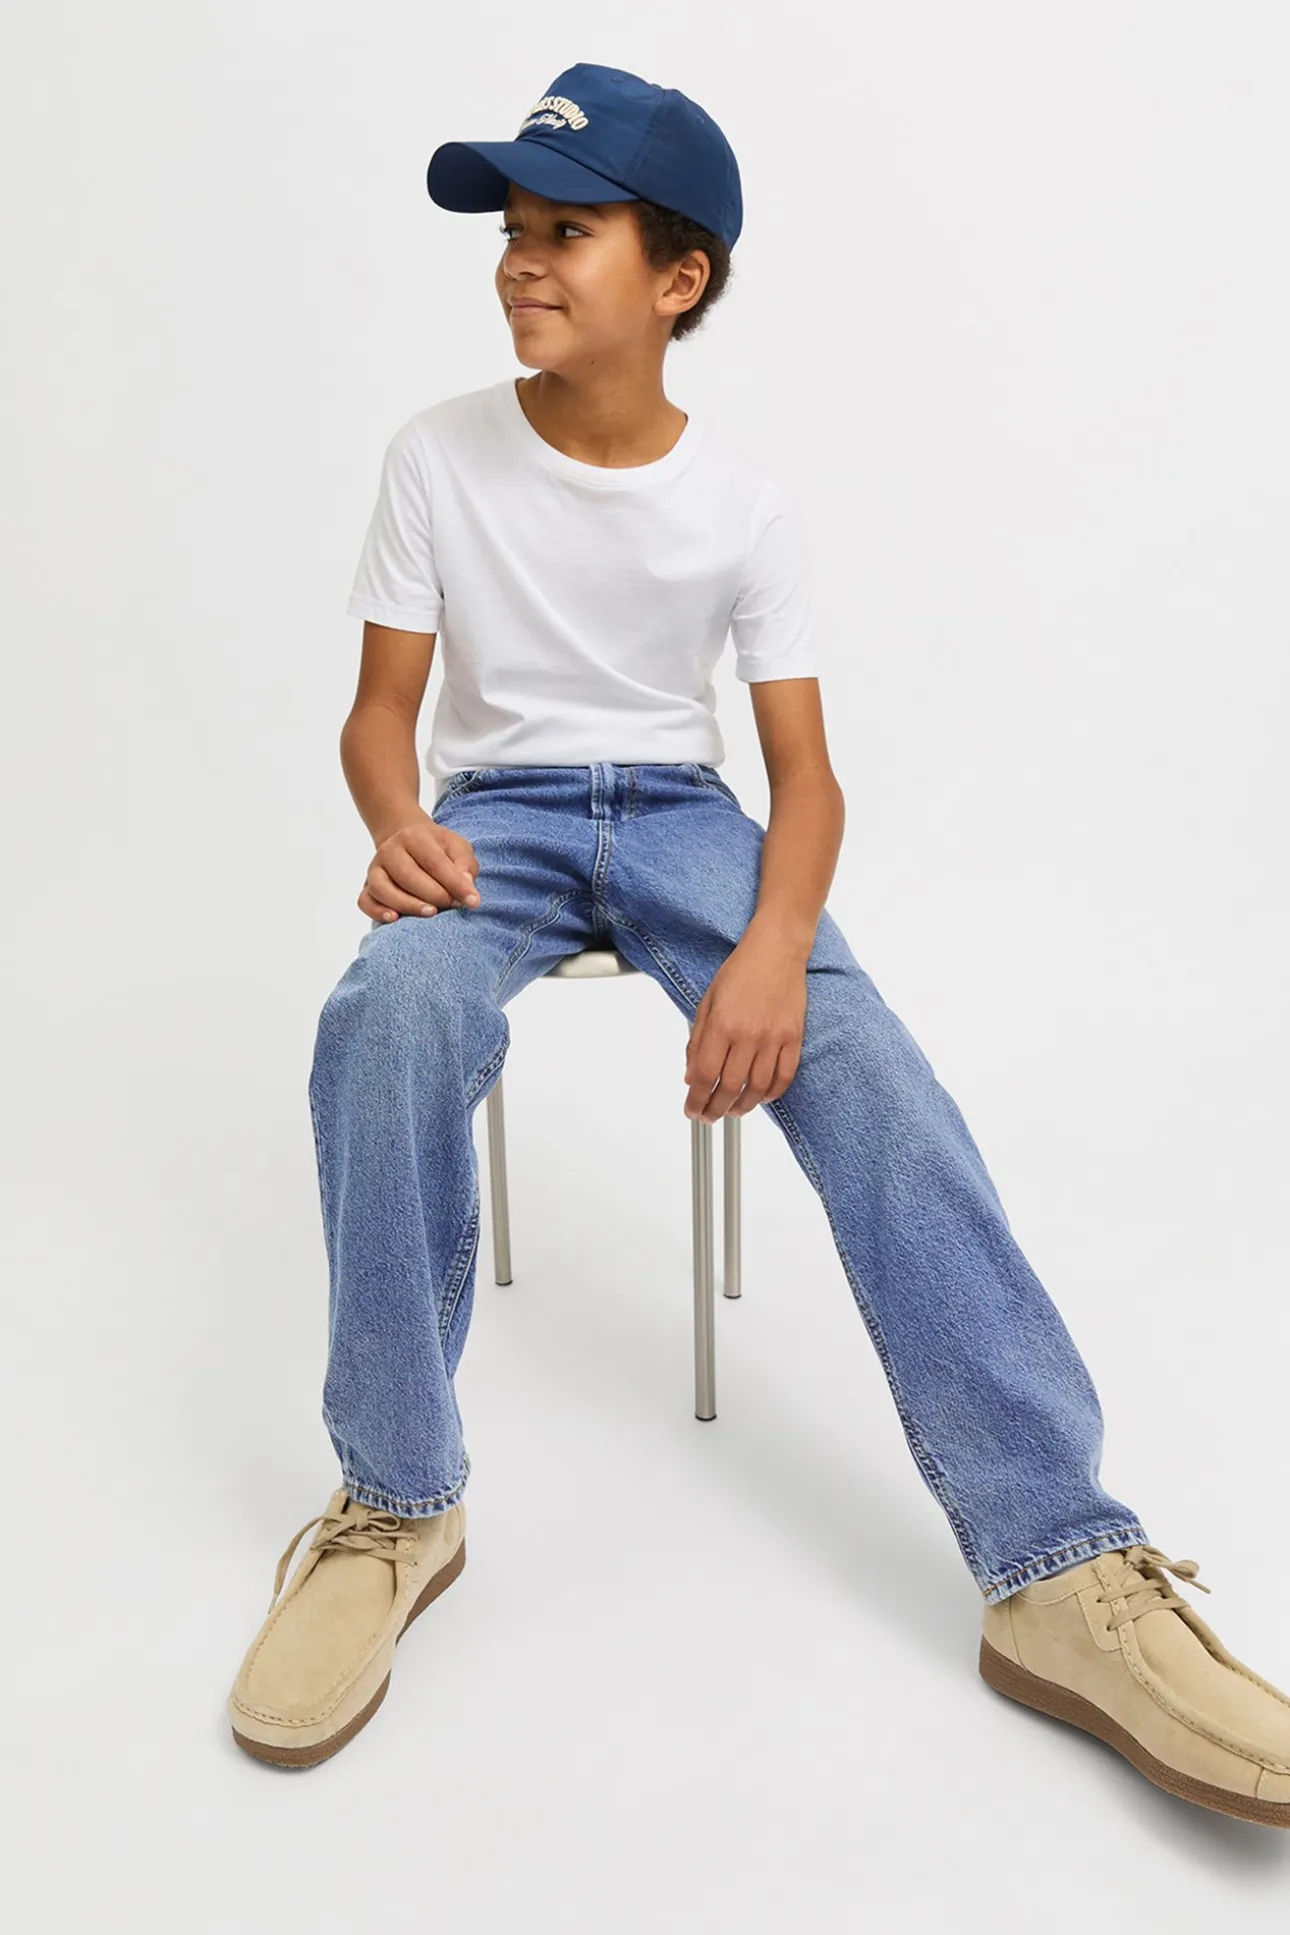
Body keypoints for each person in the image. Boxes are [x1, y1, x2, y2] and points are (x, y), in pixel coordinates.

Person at [225, 63, 1290, 1822]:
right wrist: (394, 821)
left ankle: (1055, 1564)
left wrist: (776, 945)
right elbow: (378, 717)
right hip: (495, 816)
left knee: (866, 1065)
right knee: (388, 1009)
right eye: (511, 231)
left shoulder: (741, 506)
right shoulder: (435, 454)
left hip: (685, 816)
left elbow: (805, 777)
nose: (518, 260)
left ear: (678, 277)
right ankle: (394, 1503)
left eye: (565, 230)